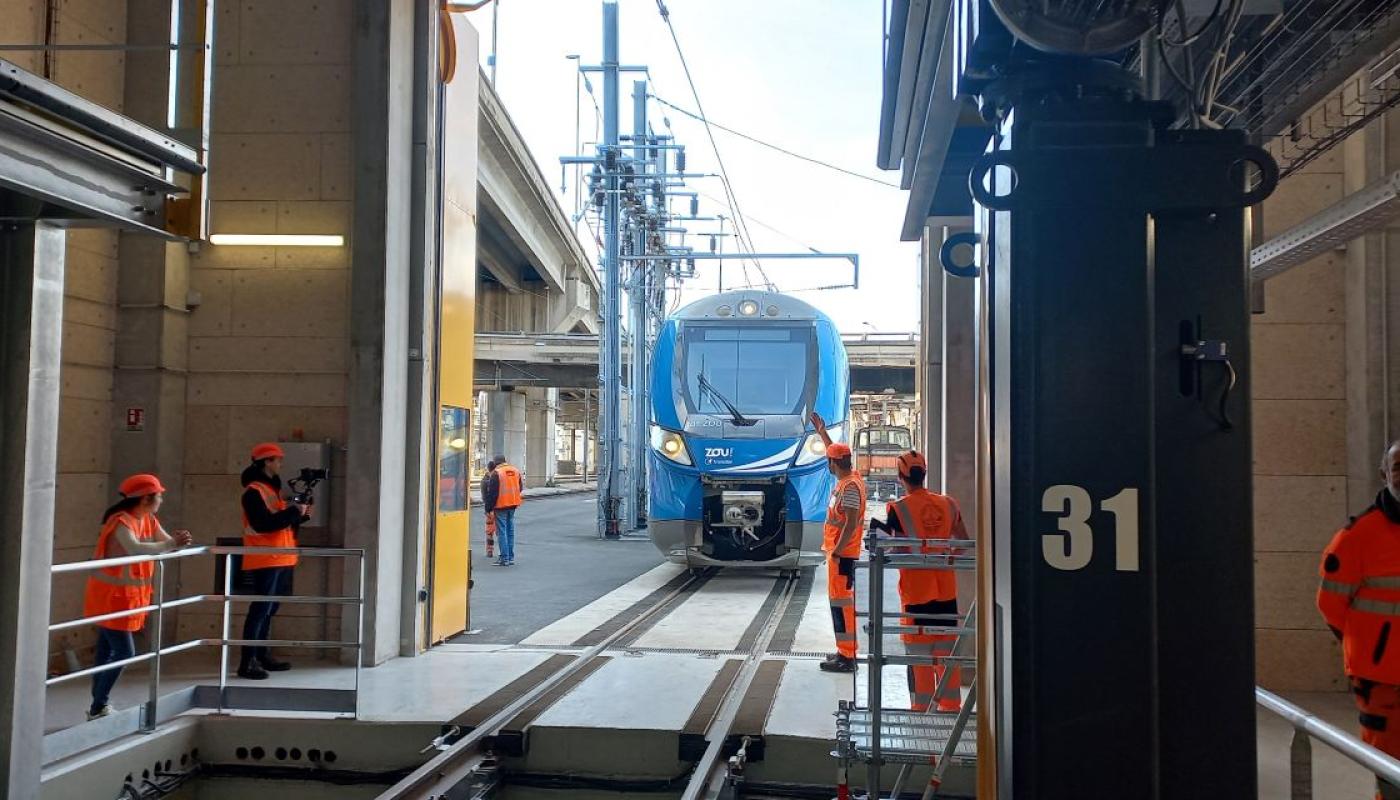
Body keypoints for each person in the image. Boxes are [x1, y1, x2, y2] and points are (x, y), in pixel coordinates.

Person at [1319, 439, 1400, 800]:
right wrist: (1370, 650)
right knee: (1391, 771)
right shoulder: (1356, 538)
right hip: (1383, 683)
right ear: (1384, 474)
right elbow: (1331, 606)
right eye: (1398, 466)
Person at [83, 474, 193, 719]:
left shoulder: (147, 519)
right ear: (146, 498)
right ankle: (98, 706)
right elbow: (136, 548)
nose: (162, 500)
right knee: (124, 652)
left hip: (126, 598)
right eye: (159, 495)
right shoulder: (122, 521)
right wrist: (172, 543)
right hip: (111, 598)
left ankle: (97, 705)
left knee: (105, 652)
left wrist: (178, 542)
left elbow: (166, 543)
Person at [882, 450, 969, 712]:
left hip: (916, 595)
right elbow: (963, 542)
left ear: (901, 477)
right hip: (947, 594)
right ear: (924, 474)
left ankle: (921, 713)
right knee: (945, 653)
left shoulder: (897, 509)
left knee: (920, 660)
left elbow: (888, 548)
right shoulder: (949, 504)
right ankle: (951, 707)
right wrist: (944, 559)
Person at [238, 443, 309, 680]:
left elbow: (280, 524)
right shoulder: (254, 491)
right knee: (260, 610)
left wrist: (300, 514)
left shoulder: (272, 490)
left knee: (269, 610)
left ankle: (262, 655)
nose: (280, 464)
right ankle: (247, 662)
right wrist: (292, 512)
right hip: (265, 558)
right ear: (266, 462)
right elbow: (264, 524)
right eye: (277, 460)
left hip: (280, 557)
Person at [811, 412, 865, 673]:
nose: (828, 465)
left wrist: (838, 552)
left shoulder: (850, 487)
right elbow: (835, 451)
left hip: (843, 556)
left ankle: (848, 657)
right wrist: (822, 433)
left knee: (843, 606)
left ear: (834, 464)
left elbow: (851, 523)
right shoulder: (847, 479)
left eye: (829, 461)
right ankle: (844, 652)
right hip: (838, 554)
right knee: (838, 605)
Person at [484, 455, 523, 566]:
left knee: (502, 532)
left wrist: (488, 509)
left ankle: (504, 558)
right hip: (513, 505)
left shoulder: (497, 473)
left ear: (496, 463)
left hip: (501, 506)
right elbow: (520, 488)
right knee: (510, 531)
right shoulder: (515, 471)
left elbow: (492, 494)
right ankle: (510, 558)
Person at [482, 460, 498, 560]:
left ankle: (489, 550)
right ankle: (503, 552)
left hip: (489, 510)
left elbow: (484, 497)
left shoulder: (484, 481)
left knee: (489, 532)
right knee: (501, 531)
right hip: (499, 508)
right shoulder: (497, 478)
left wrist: (487, 509)